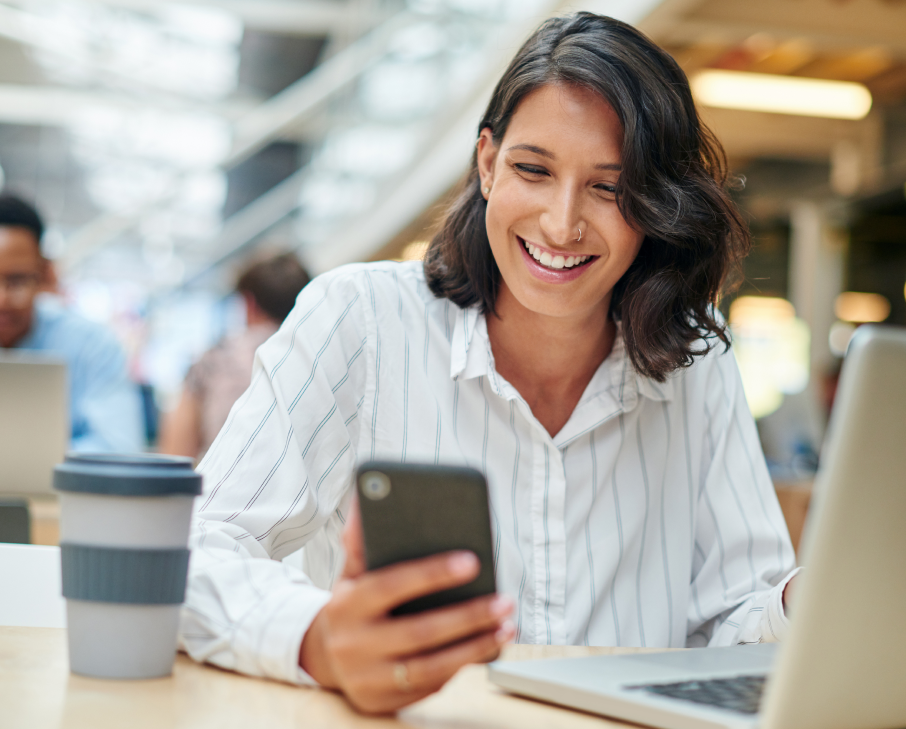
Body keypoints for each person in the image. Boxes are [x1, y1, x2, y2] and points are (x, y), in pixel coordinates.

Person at [179, 12, 799, 715]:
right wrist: (316, 637)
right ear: (486, 162)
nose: (562, 224)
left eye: (608, 187)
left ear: (655, 206)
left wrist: (803, 603)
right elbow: (196, 546)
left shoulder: (695, 361)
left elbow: (738, 623)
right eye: (533, 170)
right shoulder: (360, 318)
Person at [0, 194, 144, 453]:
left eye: (17, 280)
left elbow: (120, 448)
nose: (2, 300)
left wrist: (26, 458)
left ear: (45, 273)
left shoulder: (93, 345)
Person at [157, 252, 311, 460]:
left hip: (229, 489)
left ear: (249, 303)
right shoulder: (317, 360)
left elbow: (175, 455)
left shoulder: (213, 362)